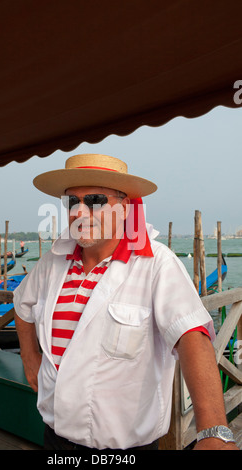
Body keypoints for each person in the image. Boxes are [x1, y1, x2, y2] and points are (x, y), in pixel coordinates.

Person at [13, 154, 239, 451]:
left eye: (94, 200)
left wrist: (213, 431)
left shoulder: (157, 263)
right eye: (72, 202)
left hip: (128, 448)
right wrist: (30, 359)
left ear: (124, 208)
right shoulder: (51, 263)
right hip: (56, 436)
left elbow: (191, 335)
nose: (79, 211)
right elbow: (21, 304)